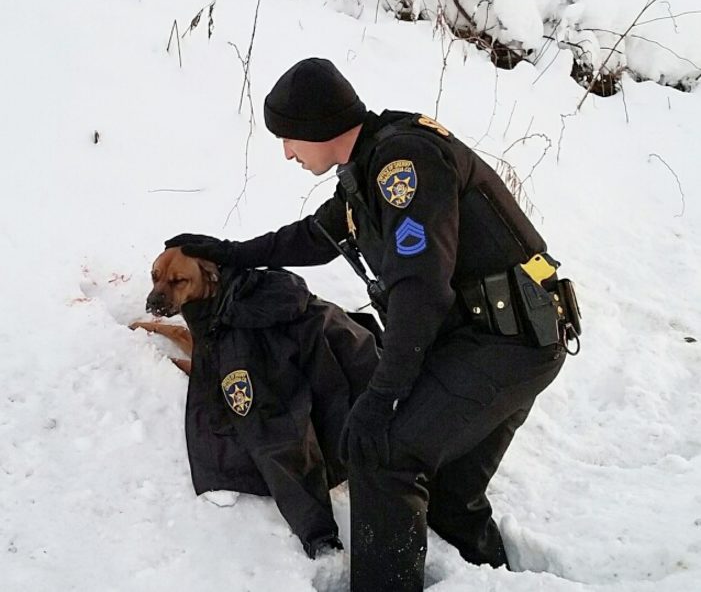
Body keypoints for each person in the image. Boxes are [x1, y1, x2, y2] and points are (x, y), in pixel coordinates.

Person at [168, 57, 575, 591]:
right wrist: (229, 252)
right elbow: (317, 237)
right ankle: (489, 577)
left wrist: (383, 397)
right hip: (505, 336)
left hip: (505, 342)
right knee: (448, 493)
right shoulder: (374, 165)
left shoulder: (404, 165)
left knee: (382, 452)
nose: (287, 152)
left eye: (289, 138)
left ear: (317, 127)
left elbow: (420, 292)